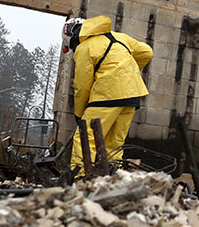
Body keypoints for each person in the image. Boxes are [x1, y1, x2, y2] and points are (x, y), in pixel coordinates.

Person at [62, 15, 153, 176]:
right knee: (114, 142)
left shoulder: (85, 48)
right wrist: (128, 72)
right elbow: (147, 52)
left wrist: (79, 114)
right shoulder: (120, 37)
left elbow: (82, 87)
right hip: (132, 95)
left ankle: (81, 177)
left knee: (84, 136)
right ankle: (113, 176)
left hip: (107, 94)